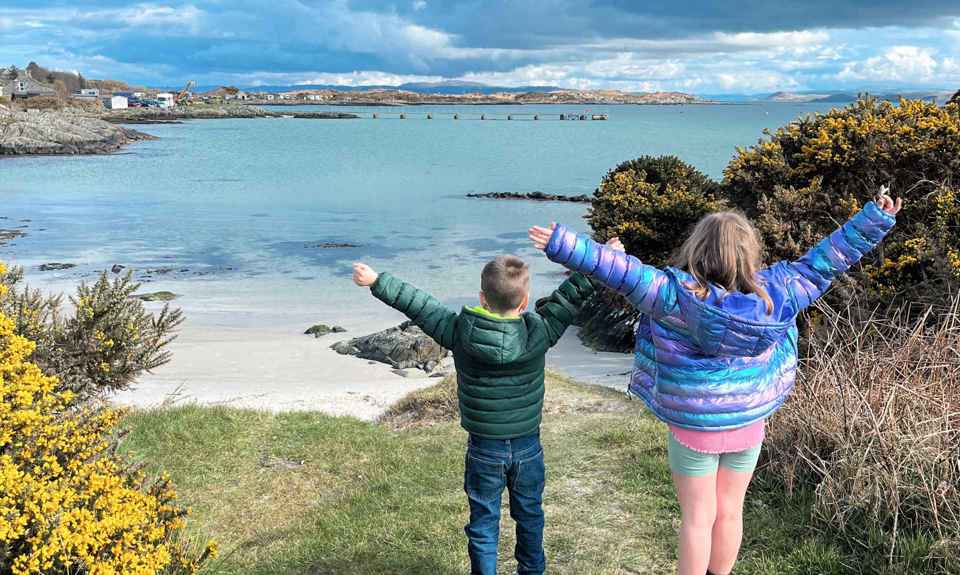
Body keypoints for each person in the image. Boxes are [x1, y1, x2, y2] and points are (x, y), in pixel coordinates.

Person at [528, 191, 902, 575]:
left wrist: (563, 243)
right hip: (747, 422)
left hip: (694, 427)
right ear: (750, 253)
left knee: (697, 518)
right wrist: (873, 219)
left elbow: (621, 271)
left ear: (697, 249)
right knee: (729, 512)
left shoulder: (673, 296)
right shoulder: (781, 292)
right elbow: (827, 261)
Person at [351, 255, 595, 575]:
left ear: (482, 298)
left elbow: (421, 306)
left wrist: (377, 280)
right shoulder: (540, 331)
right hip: (527, 445)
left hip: (484, 449)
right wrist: (599, 262)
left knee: (483, 523)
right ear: (524, 302)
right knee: (530, 516)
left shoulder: (459, 331)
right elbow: (568, 297)